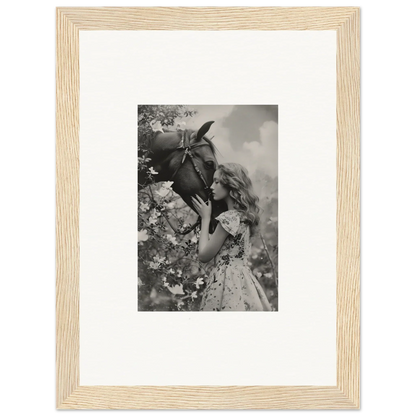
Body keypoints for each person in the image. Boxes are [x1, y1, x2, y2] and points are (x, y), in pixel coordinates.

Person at [191, 163, 273, 311]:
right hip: (243, 280)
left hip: (224, 282)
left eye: (217, 182)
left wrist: (205, 218)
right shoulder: (244, 217)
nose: (211, 187)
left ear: (231, 185)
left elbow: (203, 256)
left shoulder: (228, 219)